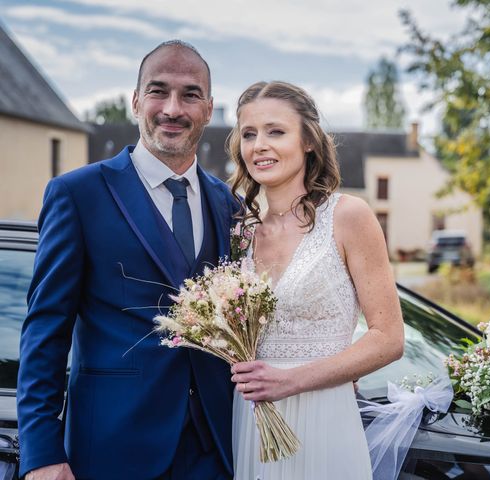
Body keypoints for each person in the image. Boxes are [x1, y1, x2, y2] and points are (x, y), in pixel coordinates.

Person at [17, 40, 239, 480]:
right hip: (111, 450)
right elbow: (45, 331)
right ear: (136, 102)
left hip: (216, 448)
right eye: (158, 91)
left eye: (190, 94)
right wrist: (41, 452)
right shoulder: (77, 195)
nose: (173, 108)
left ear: (209, 109)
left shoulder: (228, 203)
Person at [227, 81, 405, 479]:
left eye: (276, 131)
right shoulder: (240, 233)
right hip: (252, 421)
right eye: (249, 134)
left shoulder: (348, 216)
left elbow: (388, 338)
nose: (259, 145)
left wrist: (291, 381)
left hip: (323, 418)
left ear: (308, 140)